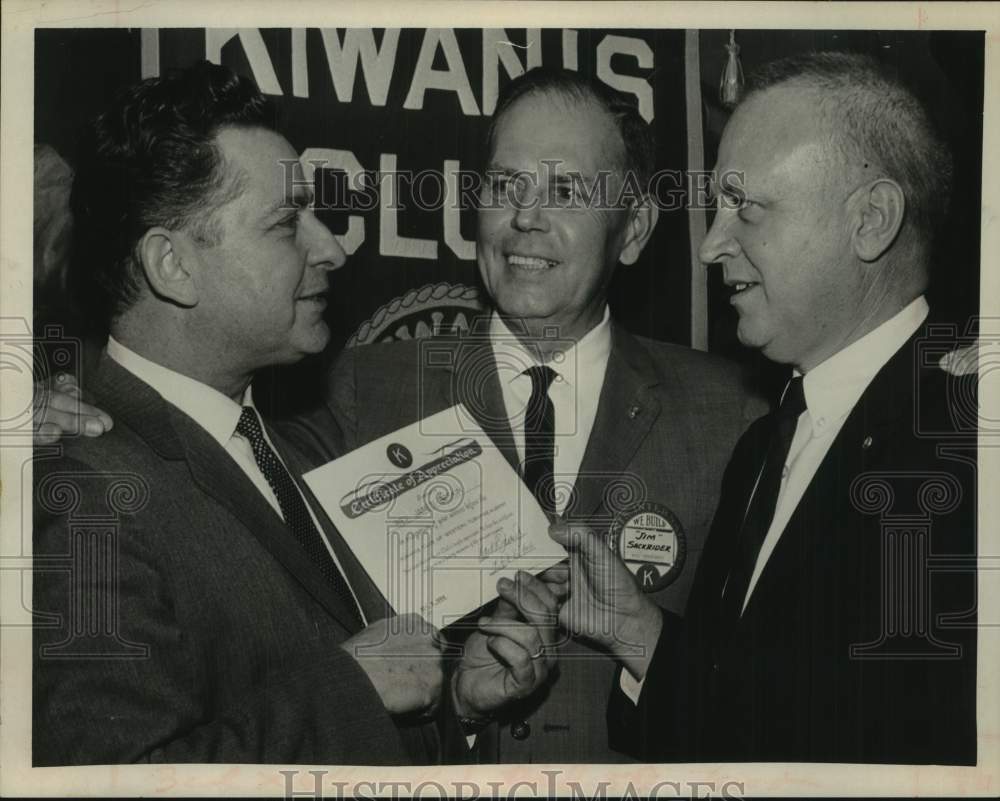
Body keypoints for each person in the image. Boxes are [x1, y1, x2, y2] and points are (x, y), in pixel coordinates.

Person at [37, 66, 765, 763]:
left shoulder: (738, 416)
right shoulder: (342, 396)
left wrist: (466, 702)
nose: (524, 217)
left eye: (566, 189)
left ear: (633, 228)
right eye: (505, 183)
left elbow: (784, 703)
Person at [548, 51, 978, 764]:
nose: (714, 244)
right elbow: (765, 716)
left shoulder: (966, 450)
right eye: (719, 207)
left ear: (871, 220)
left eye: (747, 207)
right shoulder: (762, 447)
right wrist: (642, 635)